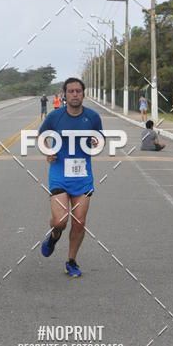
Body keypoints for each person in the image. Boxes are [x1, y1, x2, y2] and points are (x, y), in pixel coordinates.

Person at [39, 77, 103, 278]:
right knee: (61, 221)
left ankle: (71, 261)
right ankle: (54, 236)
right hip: (59, 174)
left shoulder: (93, 117)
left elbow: (99, 139)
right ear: (64, 95)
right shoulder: (55, 116)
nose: (75, 94)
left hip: (83, 176)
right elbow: (41, 137)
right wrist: (48, 151)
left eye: (78, 91)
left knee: (79, 222)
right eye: (71, 91)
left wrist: (95, 142)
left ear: (83, 94)